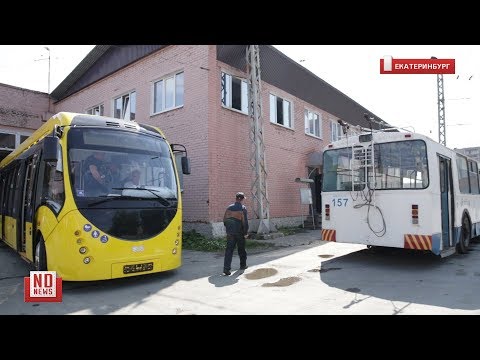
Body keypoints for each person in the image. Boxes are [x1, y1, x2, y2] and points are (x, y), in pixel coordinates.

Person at [223, 192, 249, 276]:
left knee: (229, 250)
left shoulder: (229, 208)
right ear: (242, 199)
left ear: (236, 198)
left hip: (230, 233)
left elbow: (224, 220)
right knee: (241, 249)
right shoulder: (243, 208)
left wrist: (228, 229)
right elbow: (245, 222)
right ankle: (243, 265)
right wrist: (245, 233)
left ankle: (226, 269)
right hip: (240, 233)